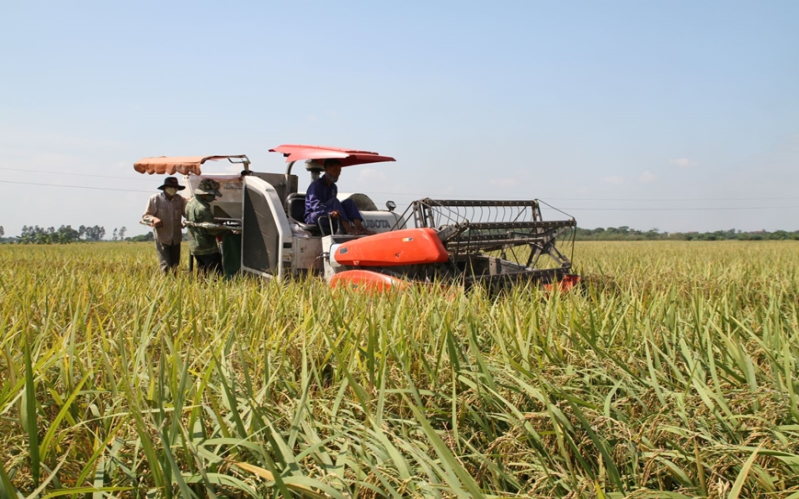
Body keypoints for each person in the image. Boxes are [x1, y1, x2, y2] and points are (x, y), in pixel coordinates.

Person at [304, 159, 374, 235]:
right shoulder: (316, 186)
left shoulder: (334, 187)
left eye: (339, 171)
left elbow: (334, 206)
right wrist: (330, 212)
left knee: (348, 202)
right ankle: (348, 229)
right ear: (327, 170)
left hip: (330, 215)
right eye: (335, 171)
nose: (337, 174)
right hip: (315, 216)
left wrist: (333, 212)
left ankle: (360, 228)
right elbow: (316, 206)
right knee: (334, 201)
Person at [142, 176, 186, 274]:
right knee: (165, 265)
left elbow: (186, 213)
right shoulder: (155, 199)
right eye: (171, 186)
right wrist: (154, 218)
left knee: (175, 265)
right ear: (165, 188)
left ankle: (175, 285)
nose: (173, 189)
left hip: (176, 237)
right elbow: (146, 215)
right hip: (162, 237)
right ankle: (166, 285)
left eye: (175, 187)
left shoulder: (180, 200)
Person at [184, 179, 225, 275]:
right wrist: (227, 230)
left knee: (202, 274)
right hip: (207, 247)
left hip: (196, 246)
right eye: (212, 194)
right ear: (206, 194)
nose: (213, 197)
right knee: (215, 275)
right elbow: (212, 230)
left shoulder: (190, 203)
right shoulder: (202, 208)